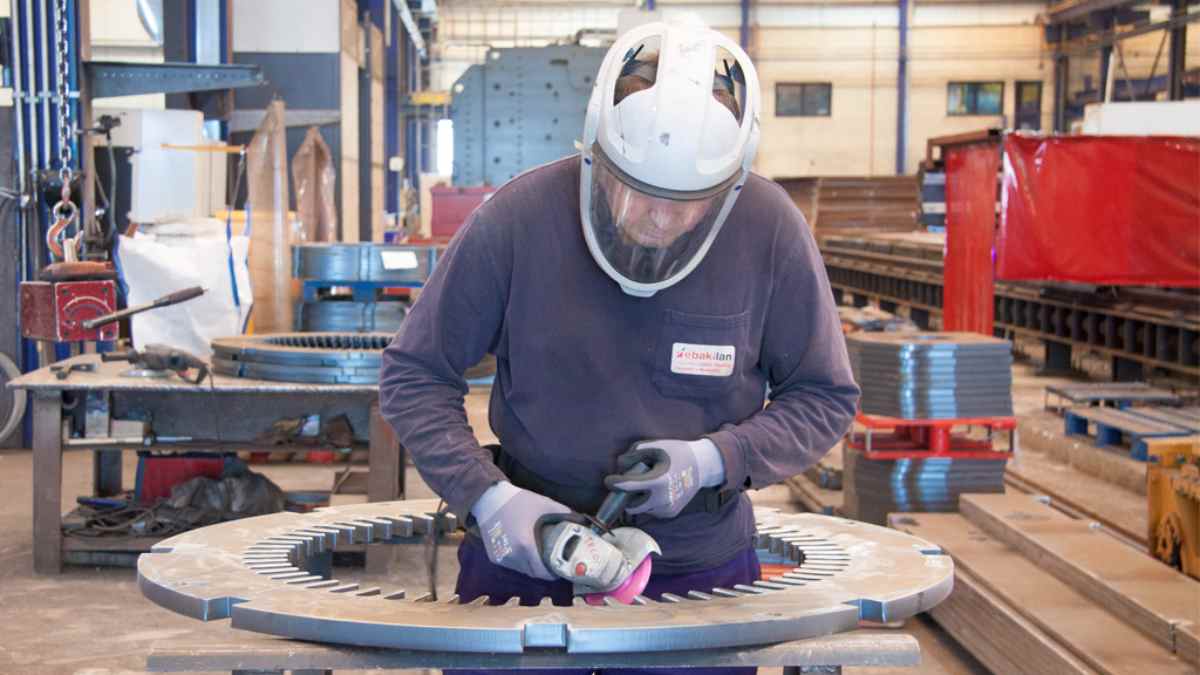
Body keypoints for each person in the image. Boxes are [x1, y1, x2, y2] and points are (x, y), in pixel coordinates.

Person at [380, 16, 859, 674]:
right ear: (596, 152)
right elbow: (414, 375)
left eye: (686, 202)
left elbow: (824, 395)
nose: (657, 217)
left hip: (698, 576)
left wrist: (717, 459)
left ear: (732, 185)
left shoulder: (770, 231)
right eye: (636, 190)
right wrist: (490, 500)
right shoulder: (519, 220)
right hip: (526, 565)